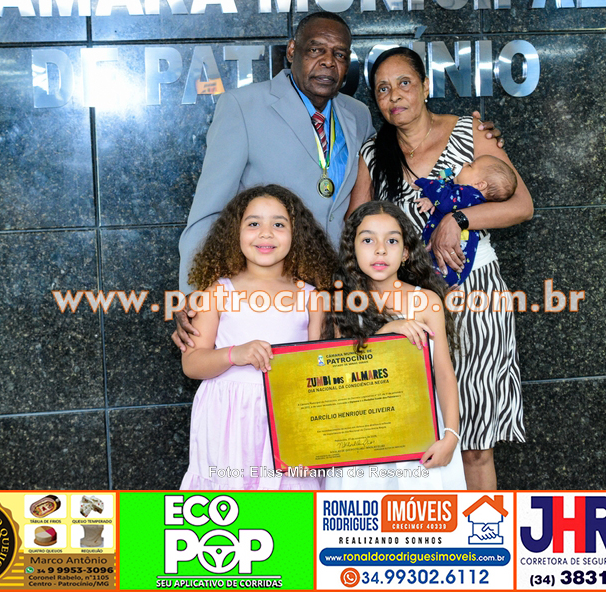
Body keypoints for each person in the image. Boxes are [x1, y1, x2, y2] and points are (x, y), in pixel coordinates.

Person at [172, 12, 500, 351]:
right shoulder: (242, 106)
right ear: (292, 50)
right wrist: (193, 294)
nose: (328, 62)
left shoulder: (357, 113)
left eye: (339, 54)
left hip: (342, 295)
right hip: (268, 295)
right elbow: (208, 212)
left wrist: (482, 139)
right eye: (316, 50)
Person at [347, 46, 533, 490]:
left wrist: (459, 219)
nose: (395, 96)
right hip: (409, 302)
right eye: (383, 89)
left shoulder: (471, 132)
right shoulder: (373, 154)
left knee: (476, 441)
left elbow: (522, 205)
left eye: (404, 83)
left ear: (426, 85)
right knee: (420, 436)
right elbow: (356, 226)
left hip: (476, 293)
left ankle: (482, 531)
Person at [179, 185, 337, 490]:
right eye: (253, 223)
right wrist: (233, 354)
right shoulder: (217, 292)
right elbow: (192, 364)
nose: (266, 233)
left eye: (279, 224)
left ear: (296, 234)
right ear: (234, 234)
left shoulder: (312, 297)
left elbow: (319, 364)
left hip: (288, 416)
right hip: (227, 419)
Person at [322, 200, 466, 490]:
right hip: (363, 431)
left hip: (420, 430)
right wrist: (387, 331)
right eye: (368, 240)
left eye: (391, 240)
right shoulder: (343, 304)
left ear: (406, 252)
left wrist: (451, 436)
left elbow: (443, 372)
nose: (380, 250)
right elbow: (340, 374)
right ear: (352, 250)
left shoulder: (426, 301)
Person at [412, 154, 517, 287]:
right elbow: (445, 192)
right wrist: (431, 199)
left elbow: (444, 201)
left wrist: (424, 183)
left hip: (448, 262)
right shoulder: (467, 196)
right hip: (447, 260)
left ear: (480, 185)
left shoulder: (469, 194)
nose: (464, 164)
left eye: (470, 166)